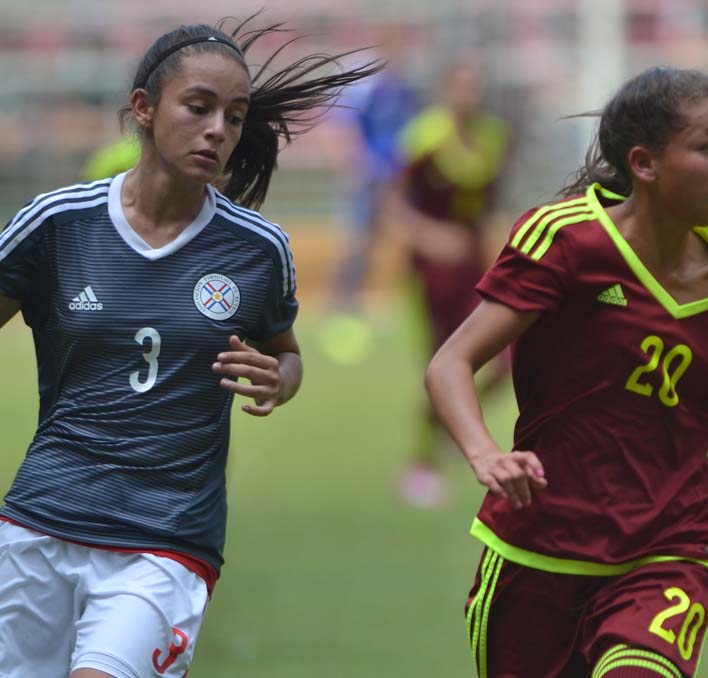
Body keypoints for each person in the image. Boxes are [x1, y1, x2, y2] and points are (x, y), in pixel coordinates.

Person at [424, 67, 708, 678]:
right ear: (645, 163)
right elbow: (451, 362)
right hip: (539, 551)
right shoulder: (564, 241)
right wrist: (484, 455)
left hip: (668, 553)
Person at [0, 17, 379, 678]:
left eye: (233, 118)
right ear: (144, 109)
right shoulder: (57, 224)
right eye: (199, 108)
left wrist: (279, 378)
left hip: (167, 535)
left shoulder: (258, 250)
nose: (218, 131)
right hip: (41, 519)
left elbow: (285, 355)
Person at [390, 59, 510, 508]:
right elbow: (391, 203)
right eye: (460, 87)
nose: (469, 97)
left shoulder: (493, 137)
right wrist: (432, 236)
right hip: (432, 270)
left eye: (475, 88)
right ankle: (422, 464)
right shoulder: (425, 137)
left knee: (504, 363)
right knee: (440, 363)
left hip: (477, 267)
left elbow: (488, 203)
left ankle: (452, 427)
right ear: (446, 91)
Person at [319, 28, 421, 365]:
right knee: (357, 244)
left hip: (397, 182)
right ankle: (342, 308)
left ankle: (412, 305)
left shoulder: (407, 89)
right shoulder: (369, 87)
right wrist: (358, 169)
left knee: (409, 241)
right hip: (370, 181)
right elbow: (345, 129)